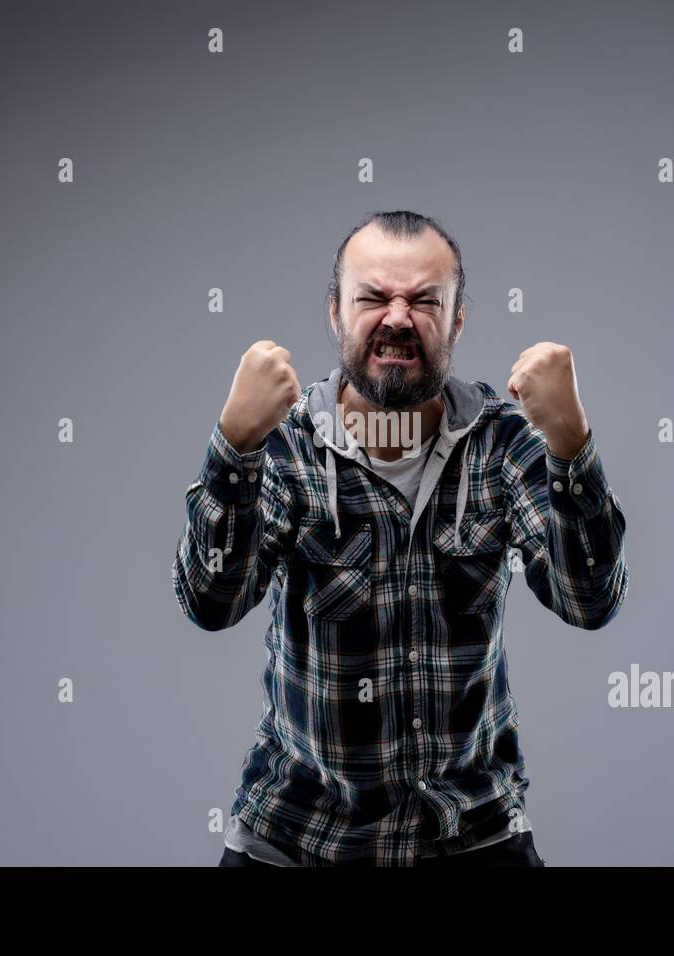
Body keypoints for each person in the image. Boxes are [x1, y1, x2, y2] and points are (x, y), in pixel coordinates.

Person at [172, 210, 629, 866]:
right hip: (297, 839)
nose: (396, 318)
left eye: (423, 300)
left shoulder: (505, 441)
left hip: (473, 836)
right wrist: (233, 447)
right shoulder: (287, 442)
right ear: (335, 313)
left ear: (457, 321)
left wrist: (571, 444)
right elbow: (209, 603)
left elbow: (590, 602)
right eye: (373, 297)